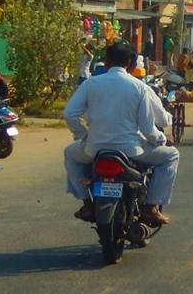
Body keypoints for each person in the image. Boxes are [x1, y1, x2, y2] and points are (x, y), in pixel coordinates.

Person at [63, 41, 179, 226]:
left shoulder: (90, 83)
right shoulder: (139, 87)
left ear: (106, 63)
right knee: (171, 156)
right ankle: (151, 207)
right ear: (131, 64)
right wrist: (162, 140)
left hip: (94, 149)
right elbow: (148, 129)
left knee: (69, 154)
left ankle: (87, 203)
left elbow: (69, 114)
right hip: (132, 151)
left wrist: (83, 135)